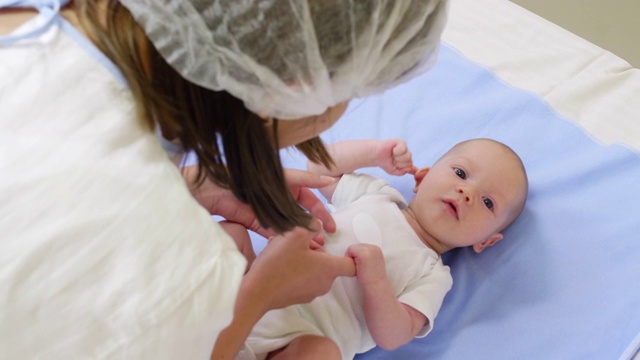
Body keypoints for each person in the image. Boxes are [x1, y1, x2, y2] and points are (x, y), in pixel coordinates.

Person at [0, 1, 449, 359]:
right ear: (291, 88)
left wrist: (196, 183)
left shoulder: (24, 25)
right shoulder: (175, 272)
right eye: (352, 92)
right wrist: (259, 296)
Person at [234, 138, 528, 359]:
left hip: (296, 339)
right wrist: (374, 153)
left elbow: (394, 336)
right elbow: (318, 168)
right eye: (461, 174)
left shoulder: (433, 275)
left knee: (322, 353)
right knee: (231, 233)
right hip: (250, 286)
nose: (468, 193)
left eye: (488, 203)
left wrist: (376, 280)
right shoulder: (376, 195)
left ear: (486, 241)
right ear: (422, 177)